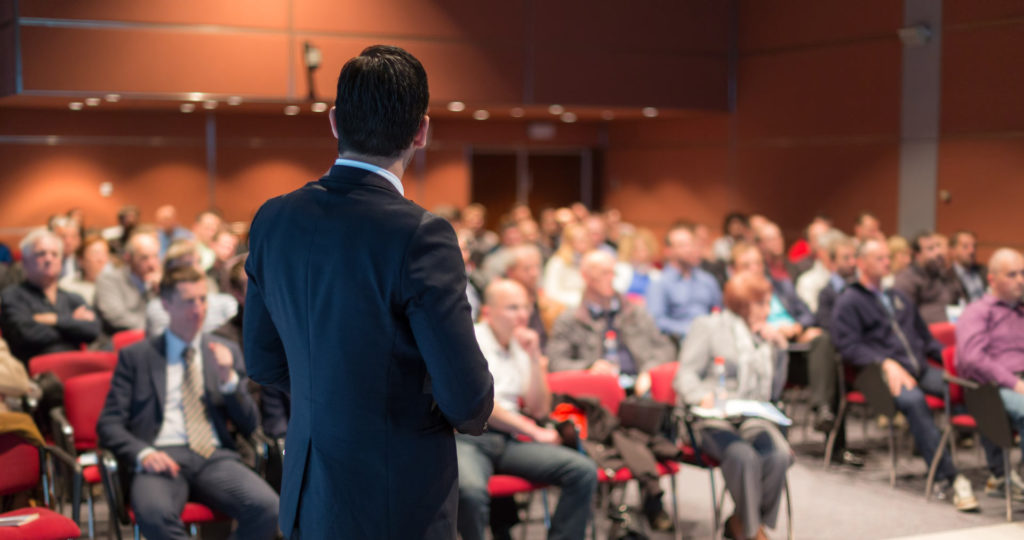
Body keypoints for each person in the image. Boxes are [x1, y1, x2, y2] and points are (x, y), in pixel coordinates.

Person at [243, 45, 494, 539]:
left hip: (310, 488)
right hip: (397, 497)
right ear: (421, 130)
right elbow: (468, 401)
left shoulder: (273, 217)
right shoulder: (421, 234)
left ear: (335, 121)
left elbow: (263, 363)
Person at [96, 266, 279, 540]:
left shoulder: (224, 351)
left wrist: (229, 381)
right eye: (189, 301)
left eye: (203, 299)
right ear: (166, 304)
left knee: (268, 508)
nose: (198, 309)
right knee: (155, 516)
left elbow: (250, 423)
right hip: (161, 457)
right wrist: (143, 454)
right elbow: (109, 424)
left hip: (213, 457)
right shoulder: (137, 357)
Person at [832, 239, 978, 511]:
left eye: (888, 257)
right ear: (861, 263)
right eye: (880, 258)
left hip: (918, 368)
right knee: (913, 402)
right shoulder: (850, 300)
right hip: (876, 375)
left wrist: (955, 361)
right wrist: (884, 362)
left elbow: (926, 338)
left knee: (972, 389)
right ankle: (948, 477)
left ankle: (999, 472)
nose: (887, 263)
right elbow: (847, 347)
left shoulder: (898, 297)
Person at [457, 279, 596, 540]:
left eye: (526, 307)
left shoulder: (521, 343)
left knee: (582, 471)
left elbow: (539, 407)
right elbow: (480, 405)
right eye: (512, 308)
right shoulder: (471, 340)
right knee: (469, 492)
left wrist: (534, 358)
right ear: (488, 312)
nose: (522, 315)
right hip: (468, 438)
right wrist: (532, 430)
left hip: (507, 440)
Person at [673, 272, 793, 540]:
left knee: (779, 455)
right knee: (743, 456)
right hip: (712, 417)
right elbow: (685, 375)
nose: (768, 310)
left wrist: (779, 348)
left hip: (751, 415)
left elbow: (774, 390)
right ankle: (753, 533)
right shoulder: (708, 326)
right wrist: (699, 395)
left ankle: (742, 523)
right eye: (761, 304)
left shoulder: (763, 336)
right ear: (743, 304)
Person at [548, 251, 675, 395]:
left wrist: (649, 371)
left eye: (613, 273)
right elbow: (556, 362)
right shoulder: (570, 319)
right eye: (603, 273)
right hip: (596, 392)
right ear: (586, 277)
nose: (611, 278)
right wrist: (588, 367)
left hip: (639, 388)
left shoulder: (634, 312)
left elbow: (665, 348)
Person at [956, 248, 1024, 498]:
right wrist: (1014, 382)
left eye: (1023, 273)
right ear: (992, 279)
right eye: (1013, 274)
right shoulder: (977, 312)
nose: (1021, 280)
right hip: (993, 387)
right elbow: (973, 359)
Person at [0, 229, 101, 363]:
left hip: (77, 366)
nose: (49, 259)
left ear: (61, 261)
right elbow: (26, 334)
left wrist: (53, 319)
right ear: (25, 262)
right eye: (41, 254)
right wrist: (72, 322)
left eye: (54, 254)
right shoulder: (12, 296)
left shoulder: (73, 297)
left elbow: (93, 329)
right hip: (36, 376)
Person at [645, 223, 722, 344]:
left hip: (711, 338)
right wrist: (689, 329)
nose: (689, 249)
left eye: (691, 244)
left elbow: (719, 311)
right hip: (679, 340)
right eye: (682, 245)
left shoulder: (707, 280)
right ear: (668, 251)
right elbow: (656, 321)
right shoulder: (660, 283)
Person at [95, 231, 162, 334]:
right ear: (128, 258)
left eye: (155, 256)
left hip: (152, 337)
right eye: (144, 258)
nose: (152, 264)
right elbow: (116, 317)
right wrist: (154, 326)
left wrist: (161, 290)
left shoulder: (158, 281)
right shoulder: (109, 279)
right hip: (118, 340)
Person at [893, 232, 965, 324]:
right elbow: (904, 317)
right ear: (917, 255)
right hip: (925, 333)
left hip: (953, 328)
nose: (938, 252)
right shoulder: (906, 279)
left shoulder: (946, 276)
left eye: (938, 246)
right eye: (931, 249)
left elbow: (961, 302)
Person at [503, 244, 564, 349]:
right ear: (510, 272)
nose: (534, 273)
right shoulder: (500, 306)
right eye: (527, 269)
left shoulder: (550, 307)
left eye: (537, 267)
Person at [542, 222, 593, 307]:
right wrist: (578, 301)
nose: (585, 242)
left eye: (586, 238)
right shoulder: (557, 262)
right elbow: (551, 292)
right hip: (565, 306)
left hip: (589, 306)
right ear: (569, 242)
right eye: (581, 239)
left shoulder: (593, 260)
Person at [59, 234, 111, 307]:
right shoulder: (66, 286)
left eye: (104, 254)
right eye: (95, 253)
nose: (101, 259)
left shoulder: (117, 285)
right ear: (80, 260)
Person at [951, 230, 987, 303]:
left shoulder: (984, 271)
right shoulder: (947, 276)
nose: (972, 251)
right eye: (965, 246)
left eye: (974, 246)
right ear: (953, 250)